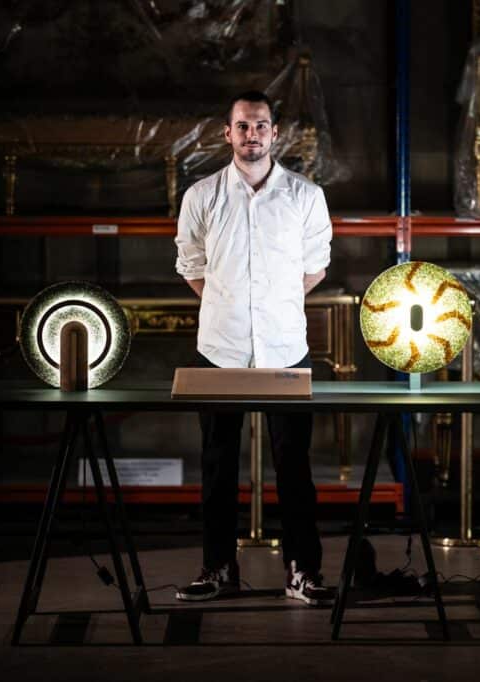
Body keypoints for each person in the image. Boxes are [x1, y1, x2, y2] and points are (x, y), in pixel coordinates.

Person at [173, 90, 335, 606]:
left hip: (285, 348)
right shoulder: (202, 196)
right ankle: (218, 568)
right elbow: (191, 267)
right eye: (242, 126)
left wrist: (269, 307)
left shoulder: (306, 196)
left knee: (294, 467)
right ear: (228, 133)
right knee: (218, 465)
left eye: (260, 125)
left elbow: (315, 268)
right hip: (219, 349)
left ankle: (302, 571)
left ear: (274, 132)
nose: (252, 134)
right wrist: (232, 306)